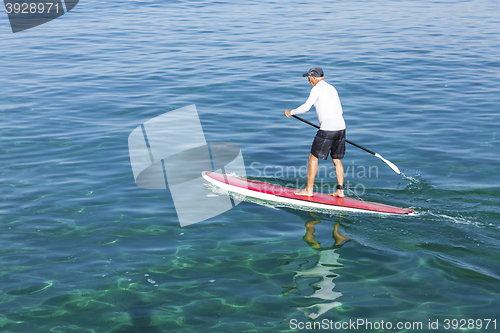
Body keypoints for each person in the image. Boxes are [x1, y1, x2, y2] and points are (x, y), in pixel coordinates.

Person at [285, 66, 346, 197]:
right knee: (336, 159)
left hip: (327, 129)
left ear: (313, 77)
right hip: (341, 127)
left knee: (313, 157)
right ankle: (340, 191)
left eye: (308, 78)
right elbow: (340, 111)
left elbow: (306, 107)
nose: (308, 81)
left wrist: (291, 112)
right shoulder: (332, 88)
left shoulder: (316, 89)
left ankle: (308, 190)